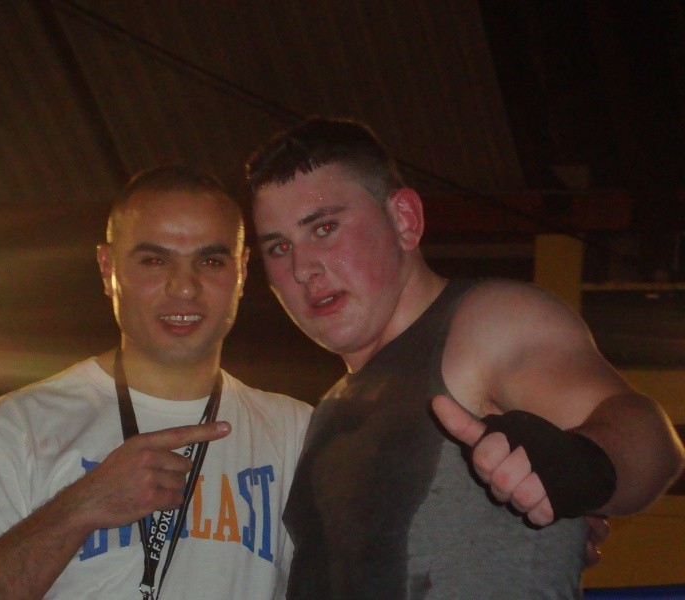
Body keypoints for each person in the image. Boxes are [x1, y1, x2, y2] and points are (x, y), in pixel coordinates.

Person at [245, 117, 685, 599]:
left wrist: (582, 465)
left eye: (325, 228)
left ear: (404, 220)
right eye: (279, 247)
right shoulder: (328, 412)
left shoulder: (483, 324)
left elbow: (650, 438)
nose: (302, 268)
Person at [0, 165, 313, 600]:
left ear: (242, 271)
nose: (184, 288)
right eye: (154, 261)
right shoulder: (19, 426)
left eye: (210, 261)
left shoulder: (295, 432)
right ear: (107, 268)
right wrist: (80, 507)